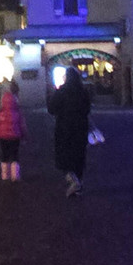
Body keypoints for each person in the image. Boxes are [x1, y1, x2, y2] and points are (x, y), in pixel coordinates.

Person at [47, 66, 91, 197]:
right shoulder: (83, 92)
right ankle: (78, 185)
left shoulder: (62, 91)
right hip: (81, 127)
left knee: (64, 156)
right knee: (79, 155)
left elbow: (52, 109)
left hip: (64, 127)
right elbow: (87, 110)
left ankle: (73, 180)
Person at [0, 89, 27, 181]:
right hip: (15, 136)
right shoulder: (18, 113)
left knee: (4, 155)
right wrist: (24, 136)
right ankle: (15, 175)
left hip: (2, 137)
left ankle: (5, 175)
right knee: (15, 155)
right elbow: (22, 126)